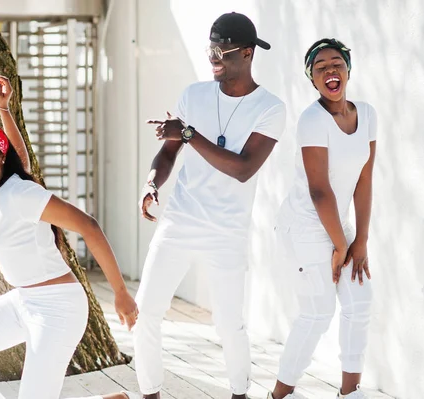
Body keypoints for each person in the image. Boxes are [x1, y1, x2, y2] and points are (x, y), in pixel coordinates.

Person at [0, 74, 139, 399]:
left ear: (1, 156)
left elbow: (89, 226)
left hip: (58, 308)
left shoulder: (21, 193)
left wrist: (121, 293)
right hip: (23, 301)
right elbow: (21, 158)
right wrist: (4, 109)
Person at [134, 12, 286, 399]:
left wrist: (188, 133)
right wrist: (152, 183)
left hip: (227, 230)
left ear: (248, 54)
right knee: (146, 311)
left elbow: (243, 169)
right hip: (180, 220)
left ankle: (239, 393)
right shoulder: (194, 95)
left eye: (222, 51)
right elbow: (168, 152)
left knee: (229, 324)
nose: (214, 57)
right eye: (210, 49)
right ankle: (150, 392)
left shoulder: (270, 108)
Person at [268, 39, 377, 399]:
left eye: (336, 64)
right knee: (317, 312)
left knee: (360, 302)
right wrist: (340, 244)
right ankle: (279, 395)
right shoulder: (312, 120)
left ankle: (350, 393)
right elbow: (318, 190)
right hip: (304, 225)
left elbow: (364, 179)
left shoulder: (368, 114)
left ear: (348, 69)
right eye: (320, 68)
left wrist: (358, 241)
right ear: (313, 80)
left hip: (336, 225)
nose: (330, 71)